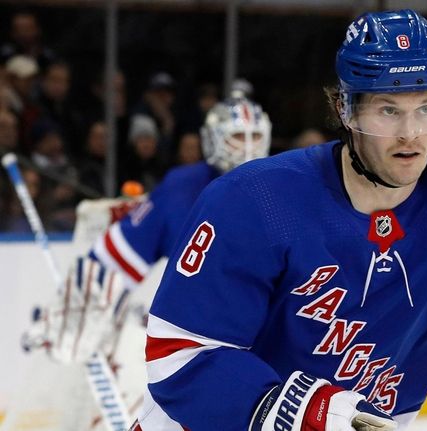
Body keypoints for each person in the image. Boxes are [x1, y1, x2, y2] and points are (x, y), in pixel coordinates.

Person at [130, 10, 427, 431]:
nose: (411, 133)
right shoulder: (256, 200)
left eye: (426, 108)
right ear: (345, 111)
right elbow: (180, 354)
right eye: (388, 110)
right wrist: (306, 413)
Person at [23, 91, 272, 419]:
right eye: (238, 137)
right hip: (194, 347)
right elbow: (119, 254)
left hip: (264, 345)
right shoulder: (182, 187)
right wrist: (77, 304)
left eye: (255, 137)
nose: (248, 147)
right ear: (213, 139)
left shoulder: (282, 187)